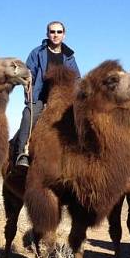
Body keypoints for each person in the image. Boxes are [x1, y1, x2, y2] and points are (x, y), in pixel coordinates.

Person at [14, 20, 80, 168]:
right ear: (47, 34)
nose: (55, 35)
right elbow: (28, 71)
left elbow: (76, 78)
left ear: (64, 35)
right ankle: (22, 153)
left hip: (63, 99)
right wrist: (27, 79)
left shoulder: (69, 56)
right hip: (40, 97)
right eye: (52, 32)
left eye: (59, 32)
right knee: (28, 115)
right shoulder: (37, 53)